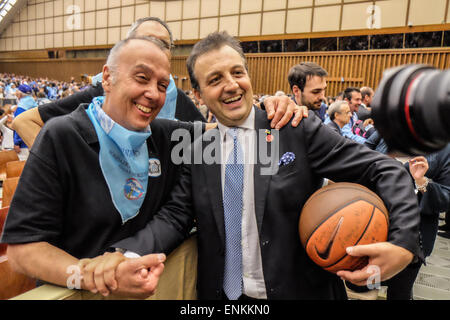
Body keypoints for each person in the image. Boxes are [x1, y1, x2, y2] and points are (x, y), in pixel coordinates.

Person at [85, 31, 422, 300]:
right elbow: (175, 216)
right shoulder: (197, 148)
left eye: (237, 72)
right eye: (215, 79)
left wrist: (403, 243)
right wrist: (122, 253)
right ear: (199, 94)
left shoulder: (294, 128)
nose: (231, 85)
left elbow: (385, 169)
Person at [1, 40, 305, 299]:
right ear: (107, 78)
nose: (153, 94)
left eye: (162, 85)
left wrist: (273, 107)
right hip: (79, 292)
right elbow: (23, 249)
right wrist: (89, 275)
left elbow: (233, 129)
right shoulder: (61, 136)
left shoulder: (168, 136)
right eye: (142, 78)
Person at [385, 145, 450, 299]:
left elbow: (446, 197)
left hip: (413, 232)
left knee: (400, 288)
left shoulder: (445, 150)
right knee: (370, 279)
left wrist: (421, 182)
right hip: (377, 222)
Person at [14, 84, 37, 160]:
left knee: (22, 167)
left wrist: (17, 142)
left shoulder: (21, 106)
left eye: (17, 91)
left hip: (23, 143)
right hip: (35, 140)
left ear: (20, 93)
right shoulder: (34, 103)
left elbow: (19, 125)